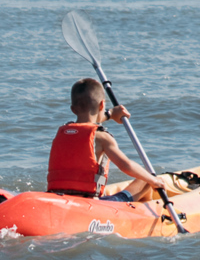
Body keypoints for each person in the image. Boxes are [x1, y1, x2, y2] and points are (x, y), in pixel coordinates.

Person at [47, 78, 182, 200]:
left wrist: (111, 114)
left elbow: (86, 122)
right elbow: (126, 165)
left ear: (73, 109)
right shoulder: (103, 138)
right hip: (89, 203)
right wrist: (154, 181)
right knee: (146, 178)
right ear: (102, 105)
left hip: (58, 197)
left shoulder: (62, 132)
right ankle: (145, 208)